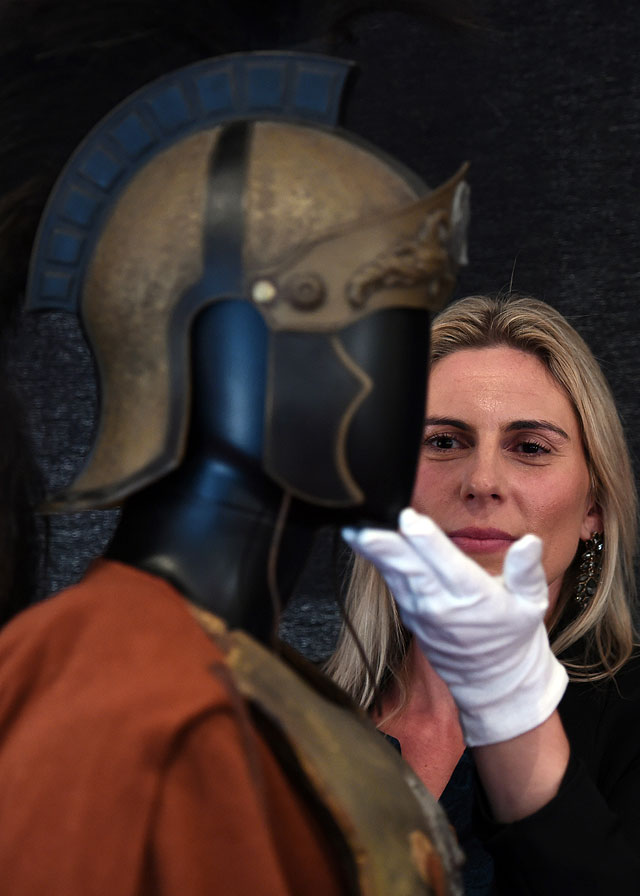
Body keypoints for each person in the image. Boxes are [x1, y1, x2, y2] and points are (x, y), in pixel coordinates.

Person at [0, 39, 472, 896]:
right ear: (229, 345)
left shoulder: (266, 680)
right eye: (387, 324)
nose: (412, 388)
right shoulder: (116, 689)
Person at [327, 293, 640, 894]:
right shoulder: (281, 718)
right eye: (444, 442)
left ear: (593, 508)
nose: (482, 482)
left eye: (530, 447)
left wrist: (509, 706)